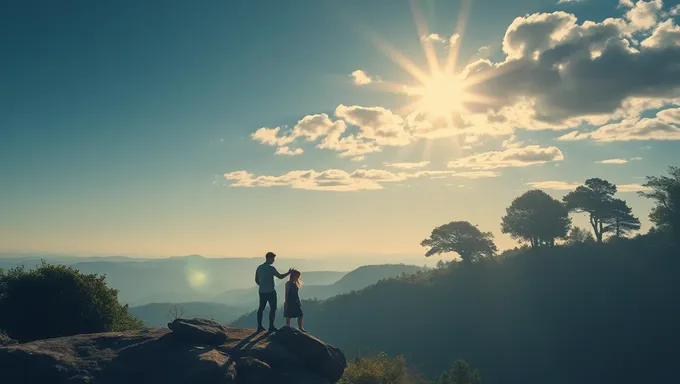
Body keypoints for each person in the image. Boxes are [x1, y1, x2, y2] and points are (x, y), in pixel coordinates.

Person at [255, 252, 292, 333]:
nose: (274, 260)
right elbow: (280, 277)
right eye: (273, 258)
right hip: (271, 291)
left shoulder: (259, 267)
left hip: (262, 291)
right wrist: (288, 273)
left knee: (261, 308)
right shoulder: (271, 268)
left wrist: (262, 285)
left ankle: (259, 326)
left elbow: (256, 280)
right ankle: (271, 326)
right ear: (269, 258)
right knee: (273, 308)